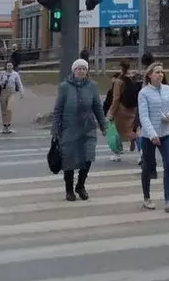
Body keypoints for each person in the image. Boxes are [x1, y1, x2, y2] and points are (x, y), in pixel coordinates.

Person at [51, 58, 107, 202]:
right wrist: (55, 129)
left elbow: (97, 107)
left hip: (87, 128)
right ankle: (69, 190)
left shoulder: (92, 86)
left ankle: (80, 185)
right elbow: (58, 109)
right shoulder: (64, 87)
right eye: (79, 68)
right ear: (73, 71)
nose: (81, 71)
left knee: (88, 157)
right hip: (68, 128)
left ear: (87, 71)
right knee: (68, 160)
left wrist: (103, 125)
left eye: (84, 68)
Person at [137, 62, 169, 212]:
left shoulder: (168, 90)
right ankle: (146, 198)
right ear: (149, 75)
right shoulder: (144, 93)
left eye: (162, 72)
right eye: (157, 72)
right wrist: (152, 134)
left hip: (166, 133)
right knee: (148, 166)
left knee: (168, 164)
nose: (160, 74)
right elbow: (143, 116)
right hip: (149, 136)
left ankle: (168, 200)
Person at [105, 59, 140, 162]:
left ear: (120, 67)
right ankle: (142, 153)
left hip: (121, 110)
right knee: (134, 130)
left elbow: (116, 99)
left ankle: (117, 154)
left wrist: (110, 113)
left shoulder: (118, 80)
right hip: (133, 109)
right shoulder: (134, 78)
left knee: (116, 131)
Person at [0, 60, 24, 134]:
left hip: (12, 92)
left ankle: (8, 125)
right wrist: (1, 83)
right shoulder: (2, 73)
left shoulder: (15, 74)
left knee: (9, 109)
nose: (9, 67)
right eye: (8, 66)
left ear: (13, 66)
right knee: (4, 110)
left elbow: (19, 83)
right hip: (3, 92)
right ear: (6, 66)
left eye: (10, 65)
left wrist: (22, 92)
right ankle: (4, 125)